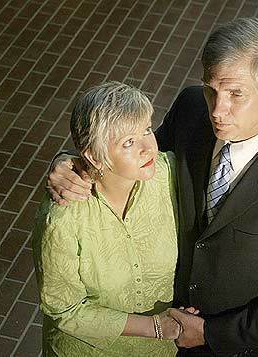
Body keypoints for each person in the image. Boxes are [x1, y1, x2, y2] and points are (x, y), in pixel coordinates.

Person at [47, 17, 258, 356]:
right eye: (211, 89)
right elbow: (134, 161)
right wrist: (71, 162)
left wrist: (211, 333)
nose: (218, 110)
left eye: (236, 94)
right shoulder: (191, 109)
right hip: (170, 340)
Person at [33, 81, 191, 356]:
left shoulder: (169, 173)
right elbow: (66, 311)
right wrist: (155, 326)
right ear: (94, 156)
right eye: (128, 142)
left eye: (147, 130)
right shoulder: (63, 218)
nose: (148, 148)